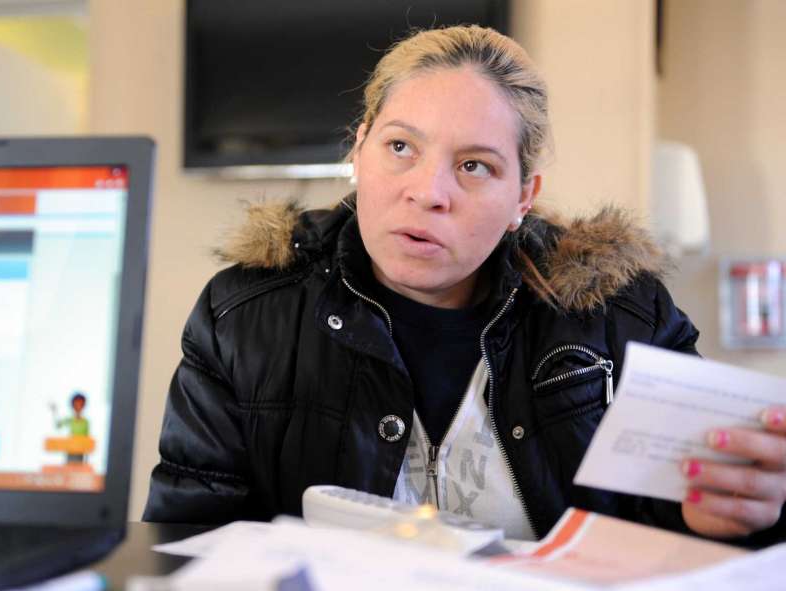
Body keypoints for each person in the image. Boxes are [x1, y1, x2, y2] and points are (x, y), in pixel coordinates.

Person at [144, 25, 786, 544]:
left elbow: (692, 525)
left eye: (475, 165)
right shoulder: (243, 315)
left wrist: (737, 517)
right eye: (400, 148)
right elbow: (186, 538)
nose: (428, 192)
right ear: (357, 149)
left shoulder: (623, 318)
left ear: (522, 198)